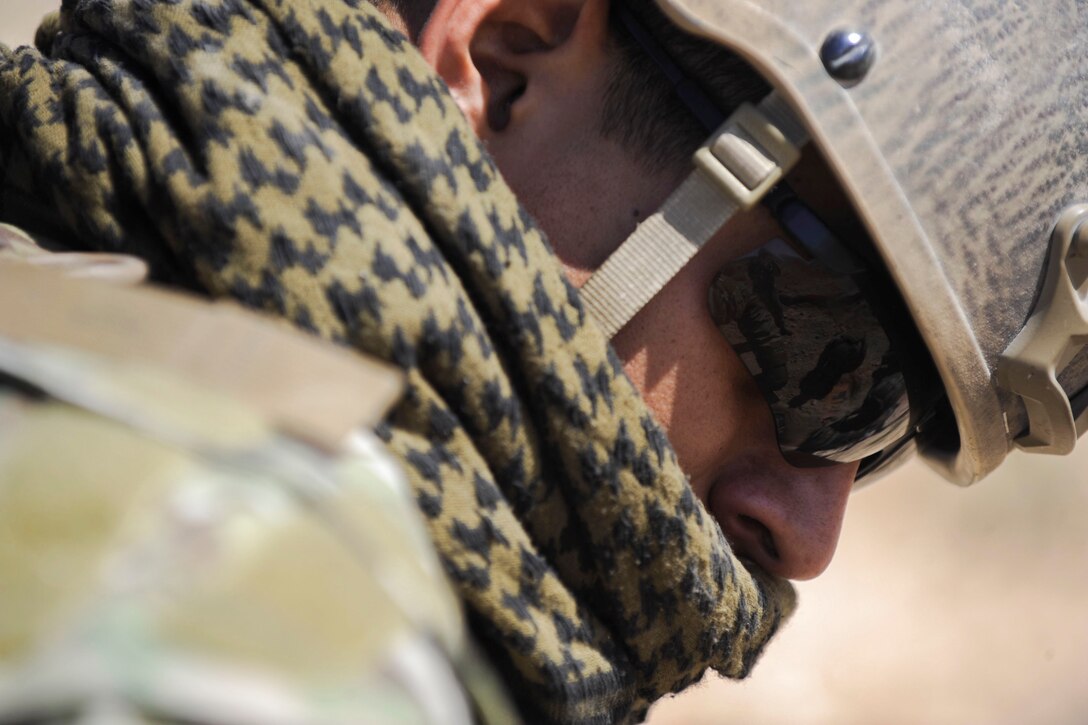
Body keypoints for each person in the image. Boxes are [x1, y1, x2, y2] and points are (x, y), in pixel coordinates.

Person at [1, 0, 1085, 723]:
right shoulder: (258, 606)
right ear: (503, 58)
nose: (804, 540)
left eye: (877, 428)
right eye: (832, 357)